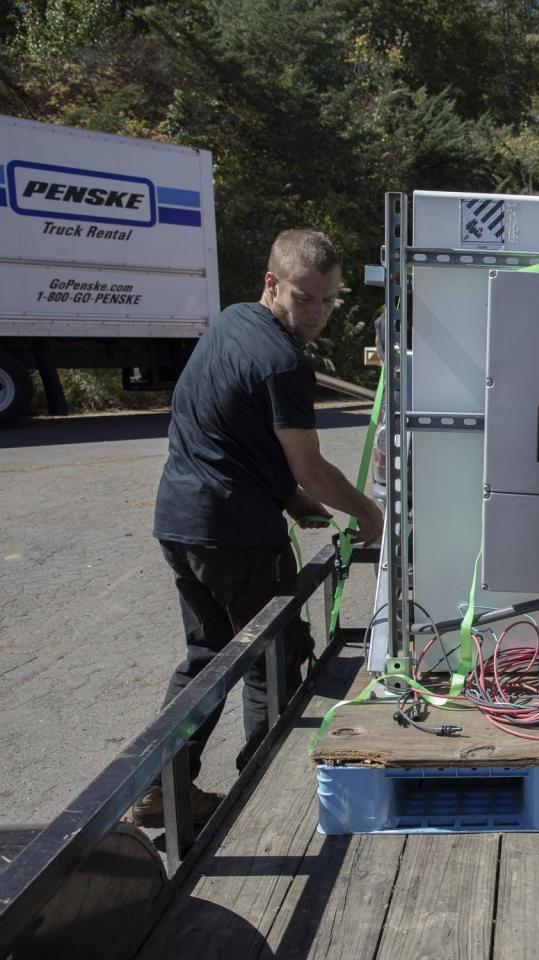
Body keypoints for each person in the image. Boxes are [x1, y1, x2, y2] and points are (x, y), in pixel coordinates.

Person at [127, 229, 383, 828]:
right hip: (236, 534)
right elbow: (312, 467)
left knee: (209, 654)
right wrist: (367, 513)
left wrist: (291, 501)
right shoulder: (284, 362)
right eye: (304, 298)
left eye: (327, 300)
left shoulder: (232, 323)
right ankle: (258, 800)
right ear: (272, 283)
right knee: (275, 654)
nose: (315, 313)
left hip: (181, 522)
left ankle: (162, 788)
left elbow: (232, 436)